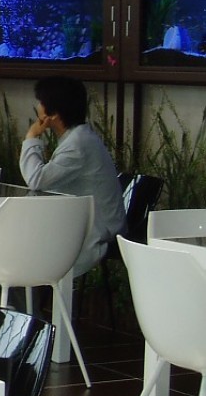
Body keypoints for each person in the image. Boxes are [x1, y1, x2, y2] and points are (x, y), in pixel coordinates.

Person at [20, 75, 127, 276]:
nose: (38, 106)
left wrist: (31, 137)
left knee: (28, 243)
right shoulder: (79, 137)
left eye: (41, 102)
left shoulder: (77, 145)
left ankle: (31, 289)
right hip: (88, 220)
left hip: (98, 228)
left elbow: (36, 180)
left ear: (54, 113)